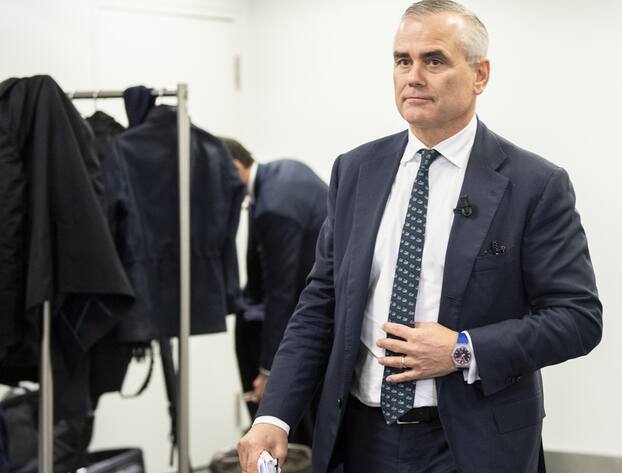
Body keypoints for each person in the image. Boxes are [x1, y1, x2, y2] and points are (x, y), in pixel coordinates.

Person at [237, 1, 602, 472]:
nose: (413, 76)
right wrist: (275, 416)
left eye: (434, 60)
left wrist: (462, 348)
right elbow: (320, 303)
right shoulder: (355, 171)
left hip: (471, 444)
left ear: (480, 75)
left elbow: (577, 318)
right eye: (402, 60)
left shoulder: (534, 185)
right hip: (361, 437)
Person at [225, 139, 328, 446]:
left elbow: (280, 294)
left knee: (296, 432)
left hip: (308, 318)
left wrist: (269, 371)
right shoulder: (283, 170)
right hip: (317, 309)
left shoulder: (274, 208)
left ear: (234, 168)